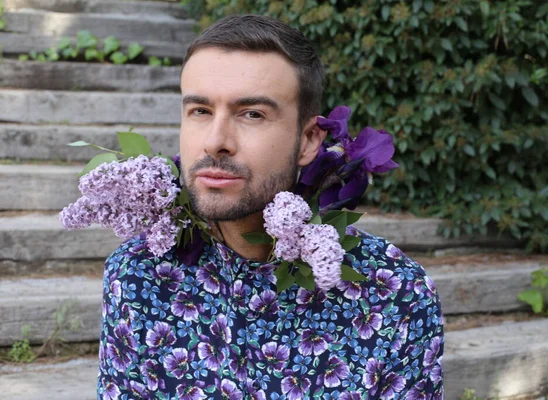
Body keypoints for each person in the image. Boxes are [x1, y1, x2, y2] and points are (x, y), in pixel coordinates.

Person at [97, 14, 443, 400]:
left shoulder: (394, 293)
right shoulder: (138, 276)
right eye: (200, 111)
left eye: (252, 114)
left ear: (310, 140)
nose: (215, 141)